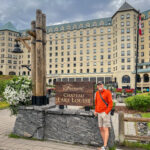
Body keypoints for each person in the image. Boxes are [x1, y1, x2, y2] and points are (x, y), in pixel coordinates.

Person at [94, 81, 113, 150]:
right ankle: (104, 145)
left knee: (105, 128)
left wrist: (106, 112)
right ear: (97, 86)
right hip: (99, 113)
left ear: (103, 85)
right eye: (98, 85)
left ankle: (105, 146)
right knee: (101, 128)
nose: (99, 86)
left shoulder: (107, 92)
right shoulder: (96, 93)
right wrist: (95, 110)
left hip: (105, 113)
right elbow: (96, 103)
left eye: (100, 84)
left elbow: (111, 104)